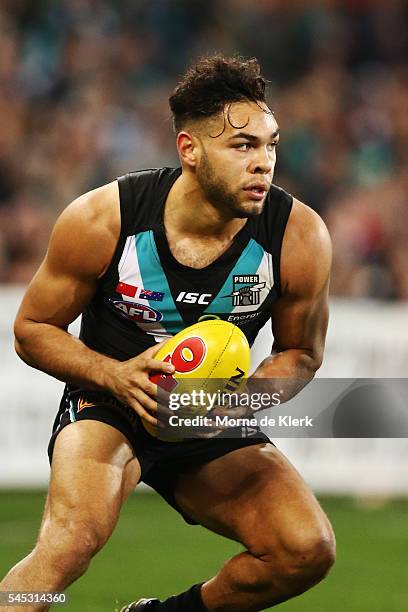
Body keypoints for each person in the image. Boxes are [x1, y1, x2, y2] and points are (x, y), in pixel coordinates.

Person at [1, 54, 335, 611]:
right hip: (108, 401)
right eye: (243, 146)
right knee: (67, 548)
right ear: (190, 150)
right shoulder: (105, 218)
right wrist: (116, 375)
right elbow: (32, 329)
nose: (264, 163)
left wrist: (229, 405)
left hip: (207, 412)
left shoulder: (300, 236)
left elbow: (300, 352)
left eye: (271, 144)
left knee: (306, 549)